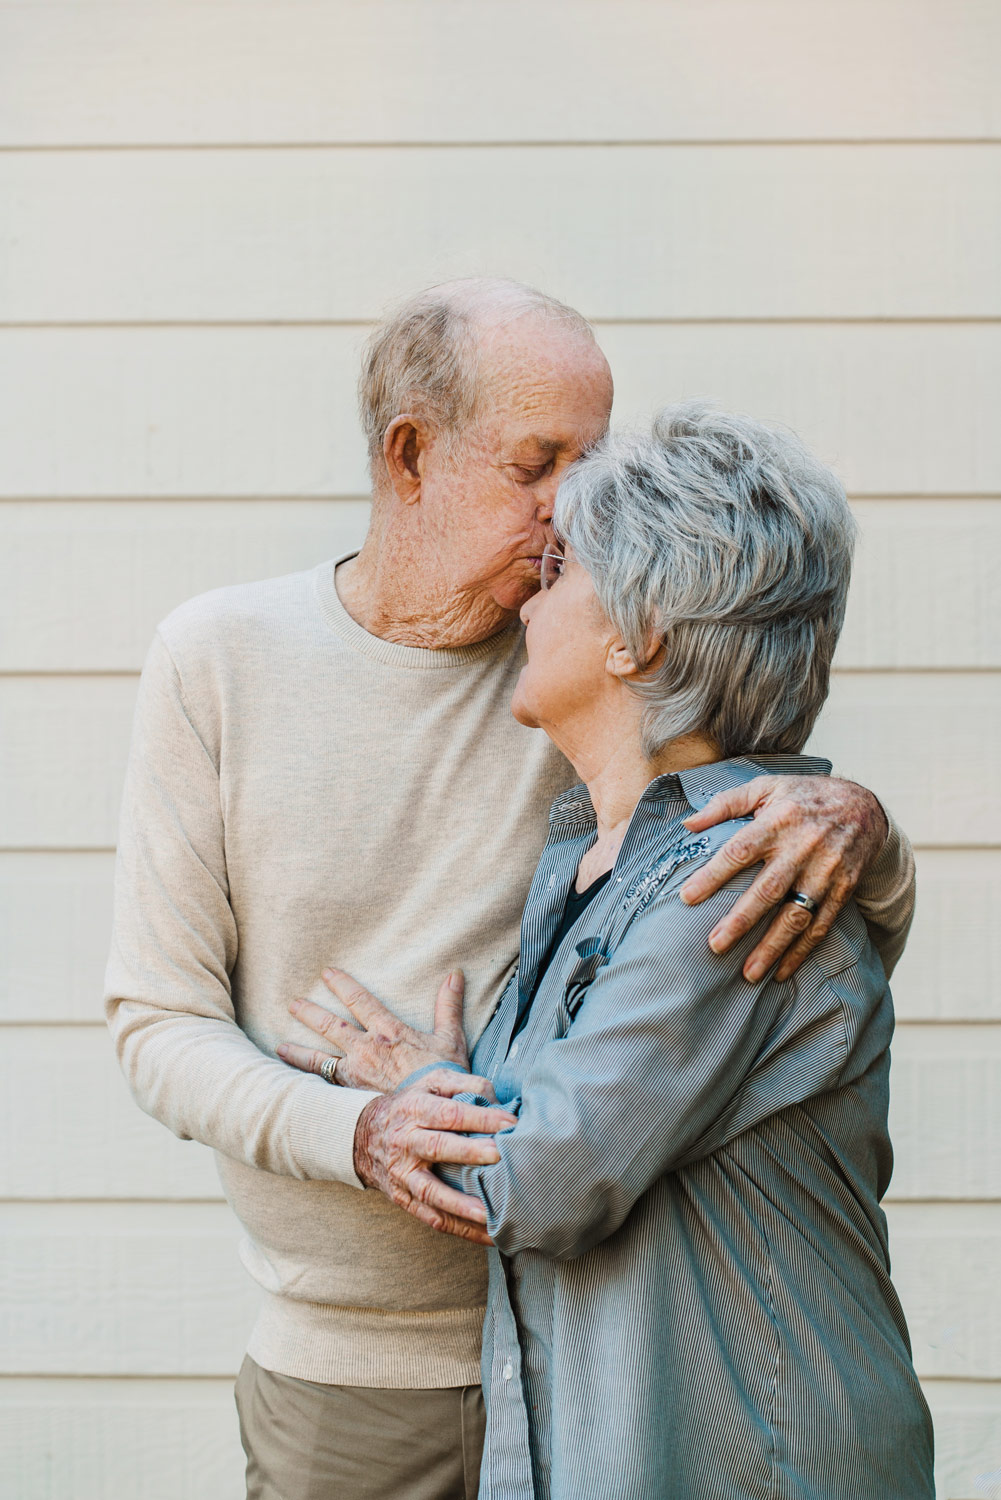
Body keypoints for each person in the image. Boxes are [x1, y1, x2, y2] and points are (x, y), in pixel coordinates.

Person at [105, 280, 917, 1500]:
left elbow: (758, 915)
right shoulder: (221, 661)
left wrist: (866, 831)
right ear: (410, 455)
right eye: (537, 465)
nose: (566, 518)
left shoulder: (590, 671)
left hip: (607, 1353)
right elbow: (155, 1023)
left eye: (590, 466)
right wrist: (365, 1129)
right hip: (359, 1372)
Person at [282, 405, 934, 1500]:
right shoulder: (597, 863)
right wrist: (466, 1091)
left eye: (562, 570)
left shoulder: (728, 873)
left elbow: (545, 1173)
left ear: (641, 637)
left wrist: (416, 1089)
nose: (528, 598)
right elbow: (597, 1114)